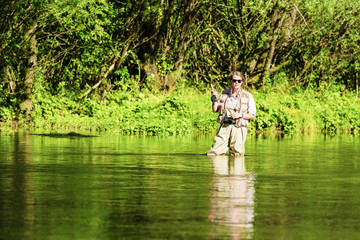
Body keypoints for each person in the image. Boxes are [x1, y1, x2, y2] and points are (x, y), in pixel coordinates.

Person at [207, 71, 256, 156]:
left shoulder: (248, 96)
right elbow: (215, 109)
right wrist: (214, 97)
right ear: (230, 81)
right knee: (213, 154)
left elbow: (252, 115)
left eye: (239, 81)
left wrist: (240, 115)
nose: (236, 83)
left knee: (237, 155)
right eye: (234, 80)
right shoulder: (224, 94)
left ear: (242, 82)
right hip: (224, 127)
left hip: (239, 128)